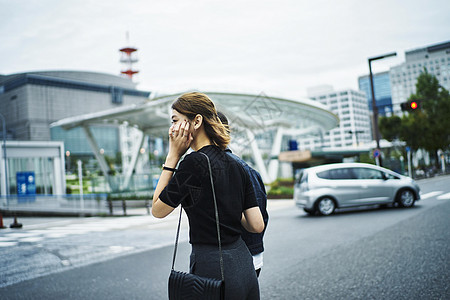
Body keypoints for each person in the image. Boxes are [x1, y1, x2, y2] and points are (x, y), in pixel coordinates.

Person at [152, 92, 265, 300]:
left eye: (175, 120)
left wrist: (173, 156)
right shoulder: (237, 164)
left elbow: (158, 210)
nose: (172, 128)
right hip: (243, 263)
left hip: (212, 263)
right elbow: (256, 225)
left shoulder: (194, 163)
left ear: (196, 121)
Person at [217, 111, 269, 278]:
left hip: (242, 258)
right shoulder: (209, 169)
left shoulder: (239, 170)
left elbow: (257, 221)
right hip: (229, 258)